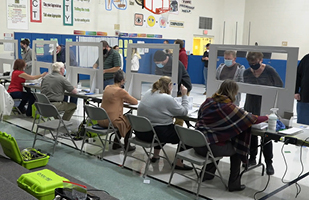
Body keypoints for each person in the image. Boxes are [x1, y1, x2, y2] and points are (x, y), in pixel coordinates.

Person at [194, 79, 268, 192]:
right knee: (238, 148)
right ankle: (234, 184)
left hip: (198, 144)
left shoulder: (208, 101)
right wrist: (268, 117)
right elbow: (252, 119)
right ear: (233, 92)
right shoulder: (228, 107)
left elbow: (199, 118)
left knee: (217, 139)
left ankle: (207, 174)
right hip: (211, 148)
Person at [137, 76, 193, 170]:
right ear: (169, 85)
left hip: (140, 132)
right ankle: (178, 162)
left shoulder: (148, 92)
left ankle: (156, 156)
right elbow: (184, 112)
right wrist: (184, 95)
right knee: (186, 136)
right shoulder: (166, 98)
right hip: (154, 135)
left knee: (161, 126)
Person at [243, 52, 283, 175]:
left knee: (266, 135)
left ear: (261, 60)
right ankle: (252, 158)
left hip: (265, 105)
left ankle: (269, 162)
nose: (252, 66)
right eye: (250, 64)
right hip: (250, 104)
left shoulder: (270, 71)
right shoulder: (246, 72)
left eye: (255, 64)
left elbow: (280, 86)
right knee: (251, 133)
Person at [98, 70, 138, 151]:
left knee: (122, 120)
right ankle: (127, 145)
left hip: (101, 119)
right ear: (122, 80)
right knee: (129, 121)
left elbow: (113, 99)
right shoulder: (120, 91)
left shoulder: (107, 88)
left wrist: (121, 100)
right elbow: (135, 102)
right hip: (111, 122)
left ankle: (116, 143)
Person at [153, 50, 192, 127]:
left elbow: (177, 80)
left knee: (179, 114)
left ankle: (177, 131)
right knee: (169, 110)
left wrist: (170, 94)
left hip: (182, 88)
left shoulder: (176, 64)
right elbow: (159, 77)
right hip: (168, 88)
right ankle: (170, 127)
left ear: (164, 59)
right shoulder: (160, 63)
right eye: (156, 63)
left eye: (158, 63)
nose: (158, 65)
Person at [295, 54, 309, 125]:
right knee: (303, 125)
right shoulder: (306, 59)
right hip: (305, 98)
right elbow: (297, 76)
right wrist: (295, 91)